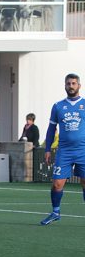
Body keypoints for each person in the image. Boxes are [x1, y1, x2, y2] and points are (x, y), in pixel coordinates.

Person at [40, 73, 85, 225]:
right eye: (68, 84)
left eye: (73, 83)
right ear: (65, 86)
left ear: (79, 85)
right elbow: (51, 129)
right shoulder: (58, 106)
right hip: (64, 151)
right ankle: (55, 212)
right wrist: (47, 149)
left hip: (83, 151)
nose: (71, 86)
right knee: (57, 184)